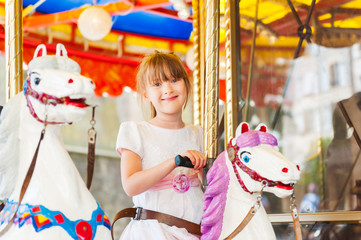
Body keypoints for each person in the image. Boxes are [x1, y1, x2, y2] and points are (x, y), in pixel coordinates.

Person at [115, 51, 206, 240]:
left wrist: (202, 172)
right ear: (146, 95)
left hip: (194, 231)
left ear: (186, 84)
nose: (168, 89)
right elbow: (131, 185)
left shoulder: (199, 135)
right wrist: (174, 162)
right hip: (152, 232)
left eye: (174, 80)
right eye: (157, 84)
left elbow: (212, 187)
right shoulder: (136, 132)